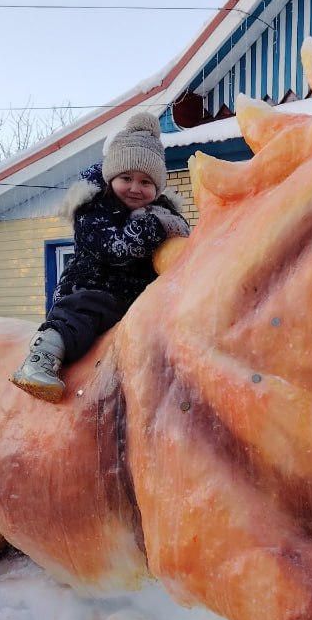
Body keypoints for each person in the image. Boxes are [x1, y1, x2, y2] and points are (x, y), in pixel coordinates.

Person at [10, 111, 189, 402]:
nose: (135, 188)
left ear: (157, 189)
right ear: (110, 178)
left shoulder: (164, 215)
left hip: (138, 299)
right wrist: (153, 224)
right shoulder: (93, 210)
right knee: (83, 312)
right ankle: (43, 356)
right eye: (126, 178)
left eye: (146, 182)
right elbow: (115, 249)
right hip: (94, 287)